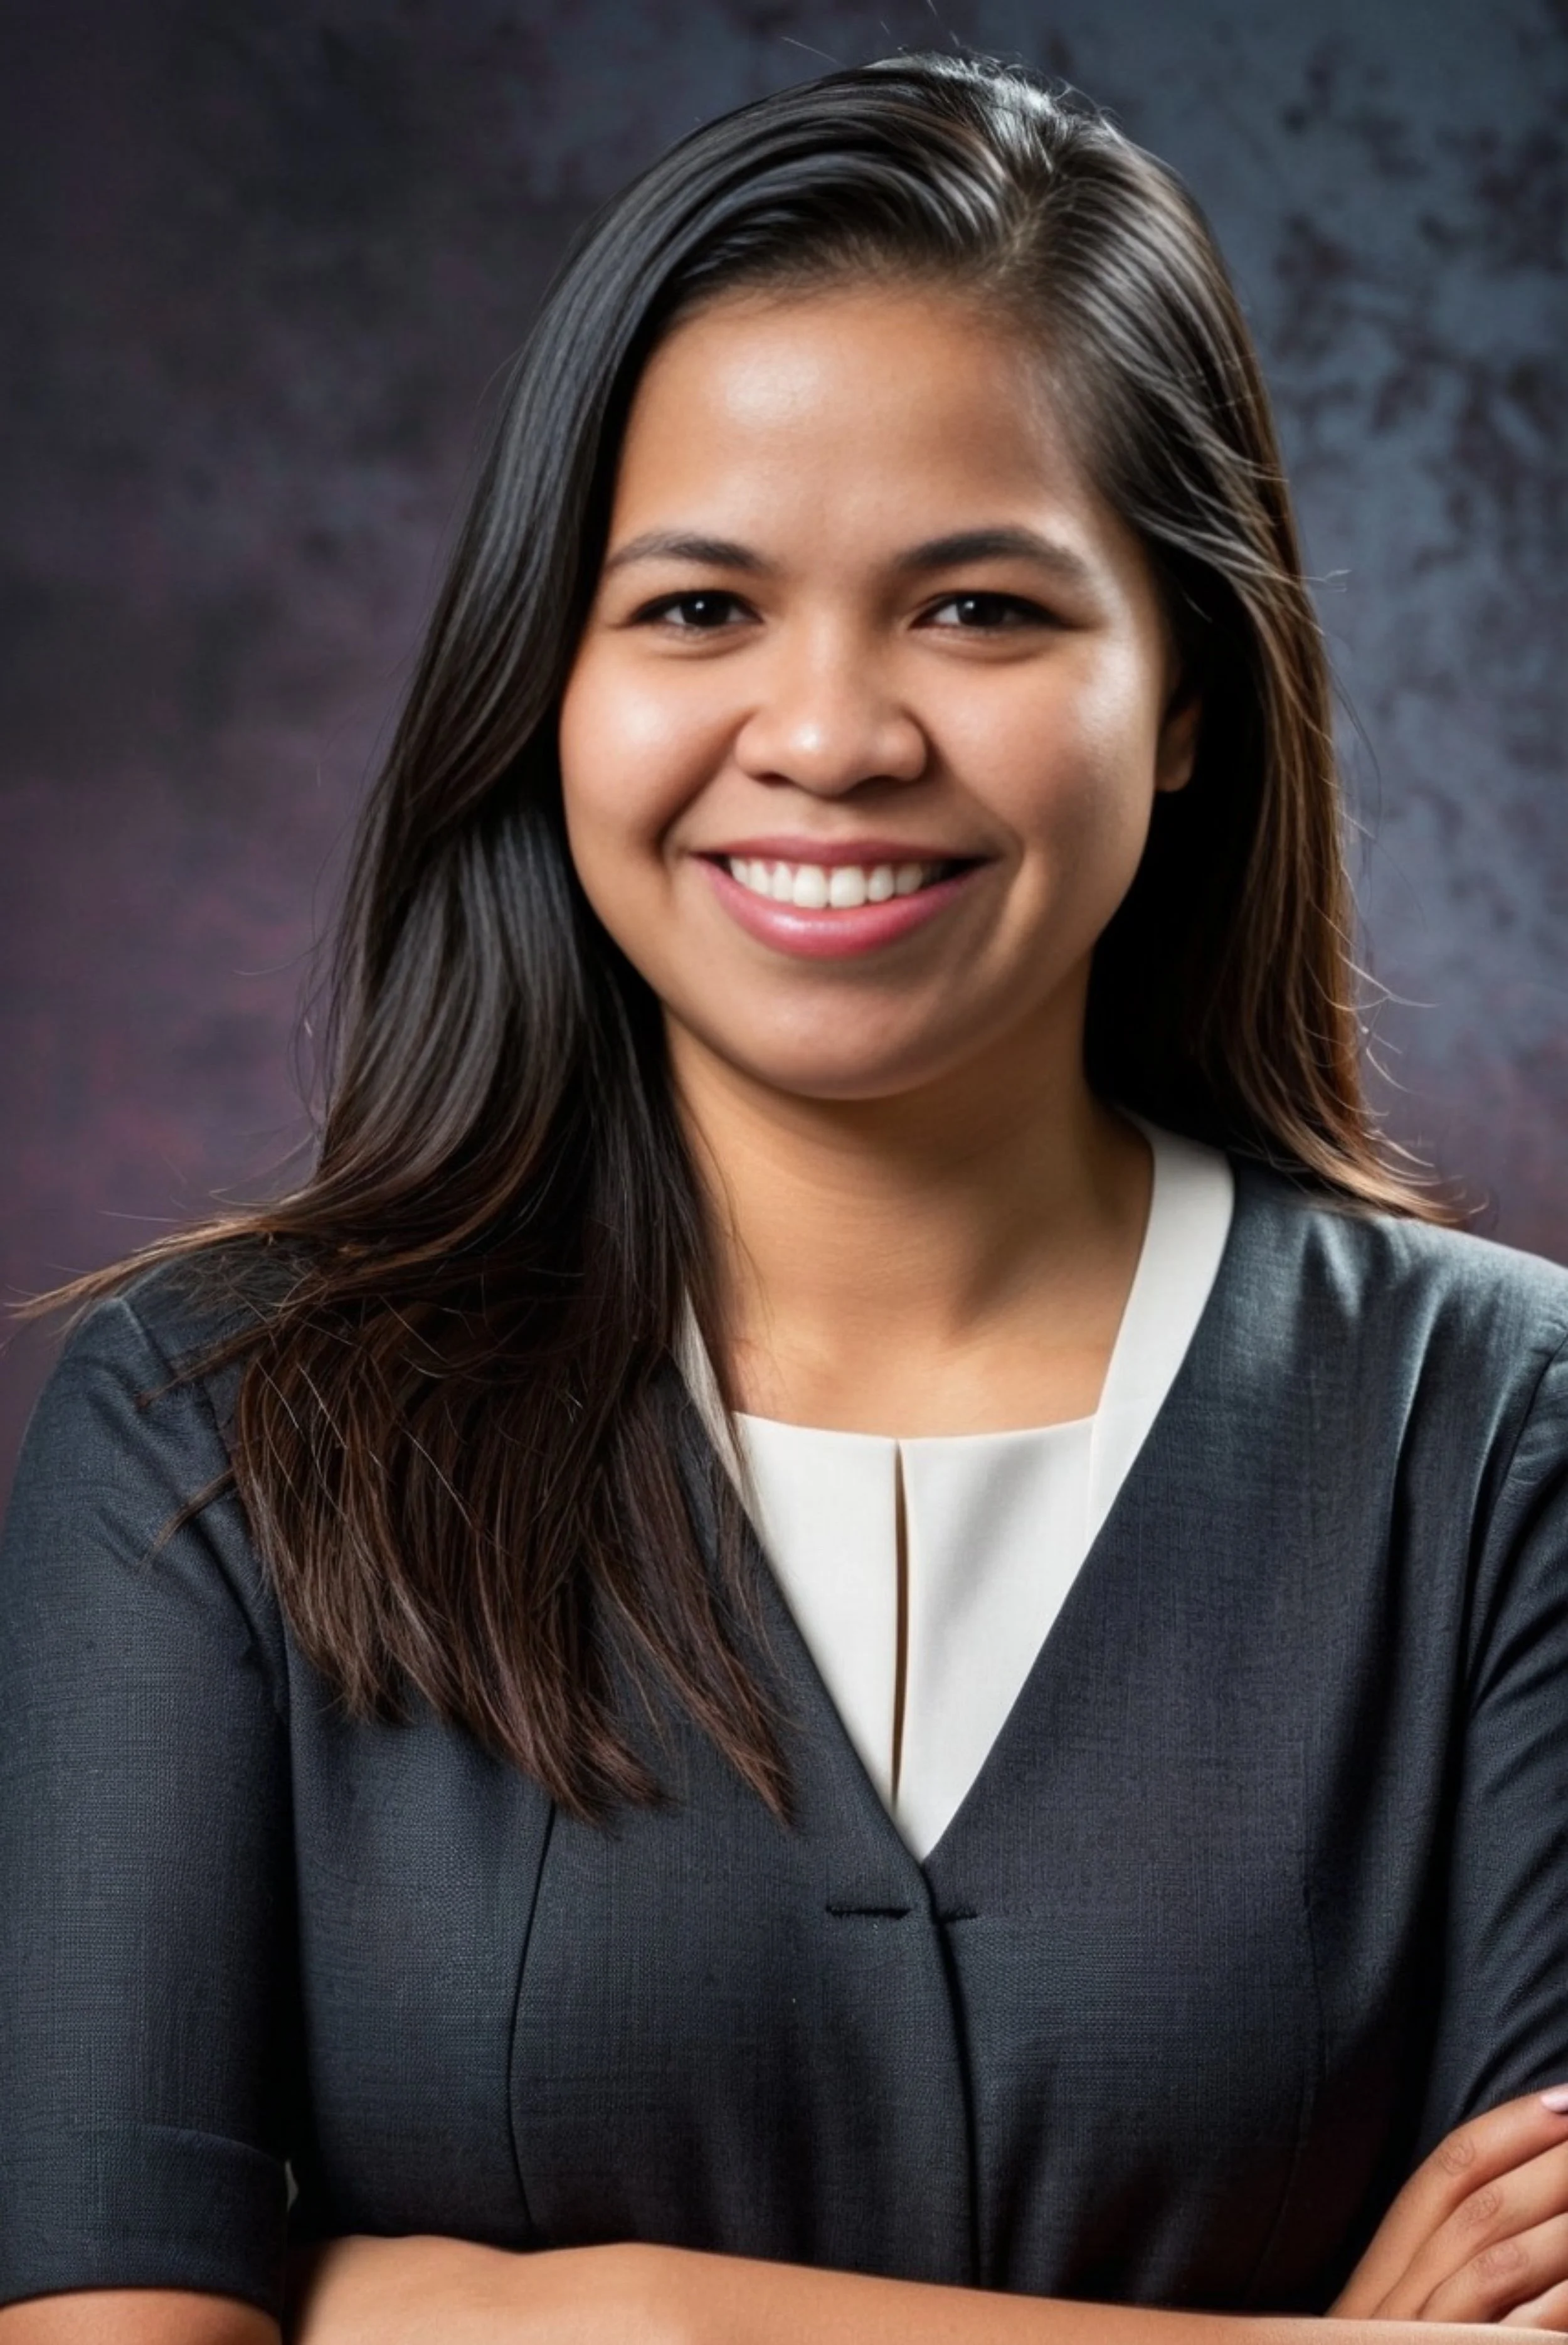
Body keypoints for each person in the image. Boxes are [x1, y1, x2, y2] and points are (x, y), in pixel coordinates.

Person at [4, 46, 1568, 2345]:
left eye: (979, 612)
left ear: (1192, 693)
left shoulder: (1505, 1432)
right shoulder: (212, 1429)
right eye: (698, 610)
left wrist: (491, 2314)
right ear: (547, 678)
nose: (828, 735)